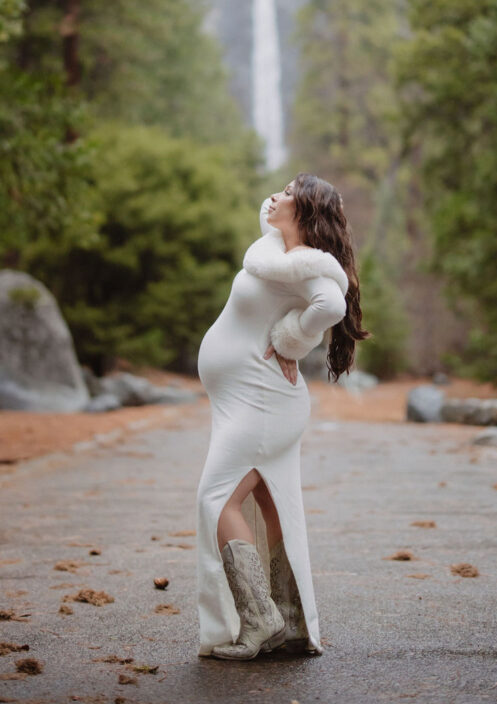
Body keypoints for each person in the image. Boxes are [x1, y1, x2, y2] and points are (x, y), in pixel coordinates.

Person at [195, 172, 368, 660]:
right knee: (271, 503)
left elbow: (332, 303)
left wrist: (292, 336)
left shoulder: (307, 265)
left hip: (264, 404)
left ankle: (261, 619)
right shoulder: (275, 256)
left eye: (290, 193)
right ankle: (288, 620)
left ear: (307, 211)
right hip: (247, 401)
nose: (278, 195)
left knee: (217, 501)